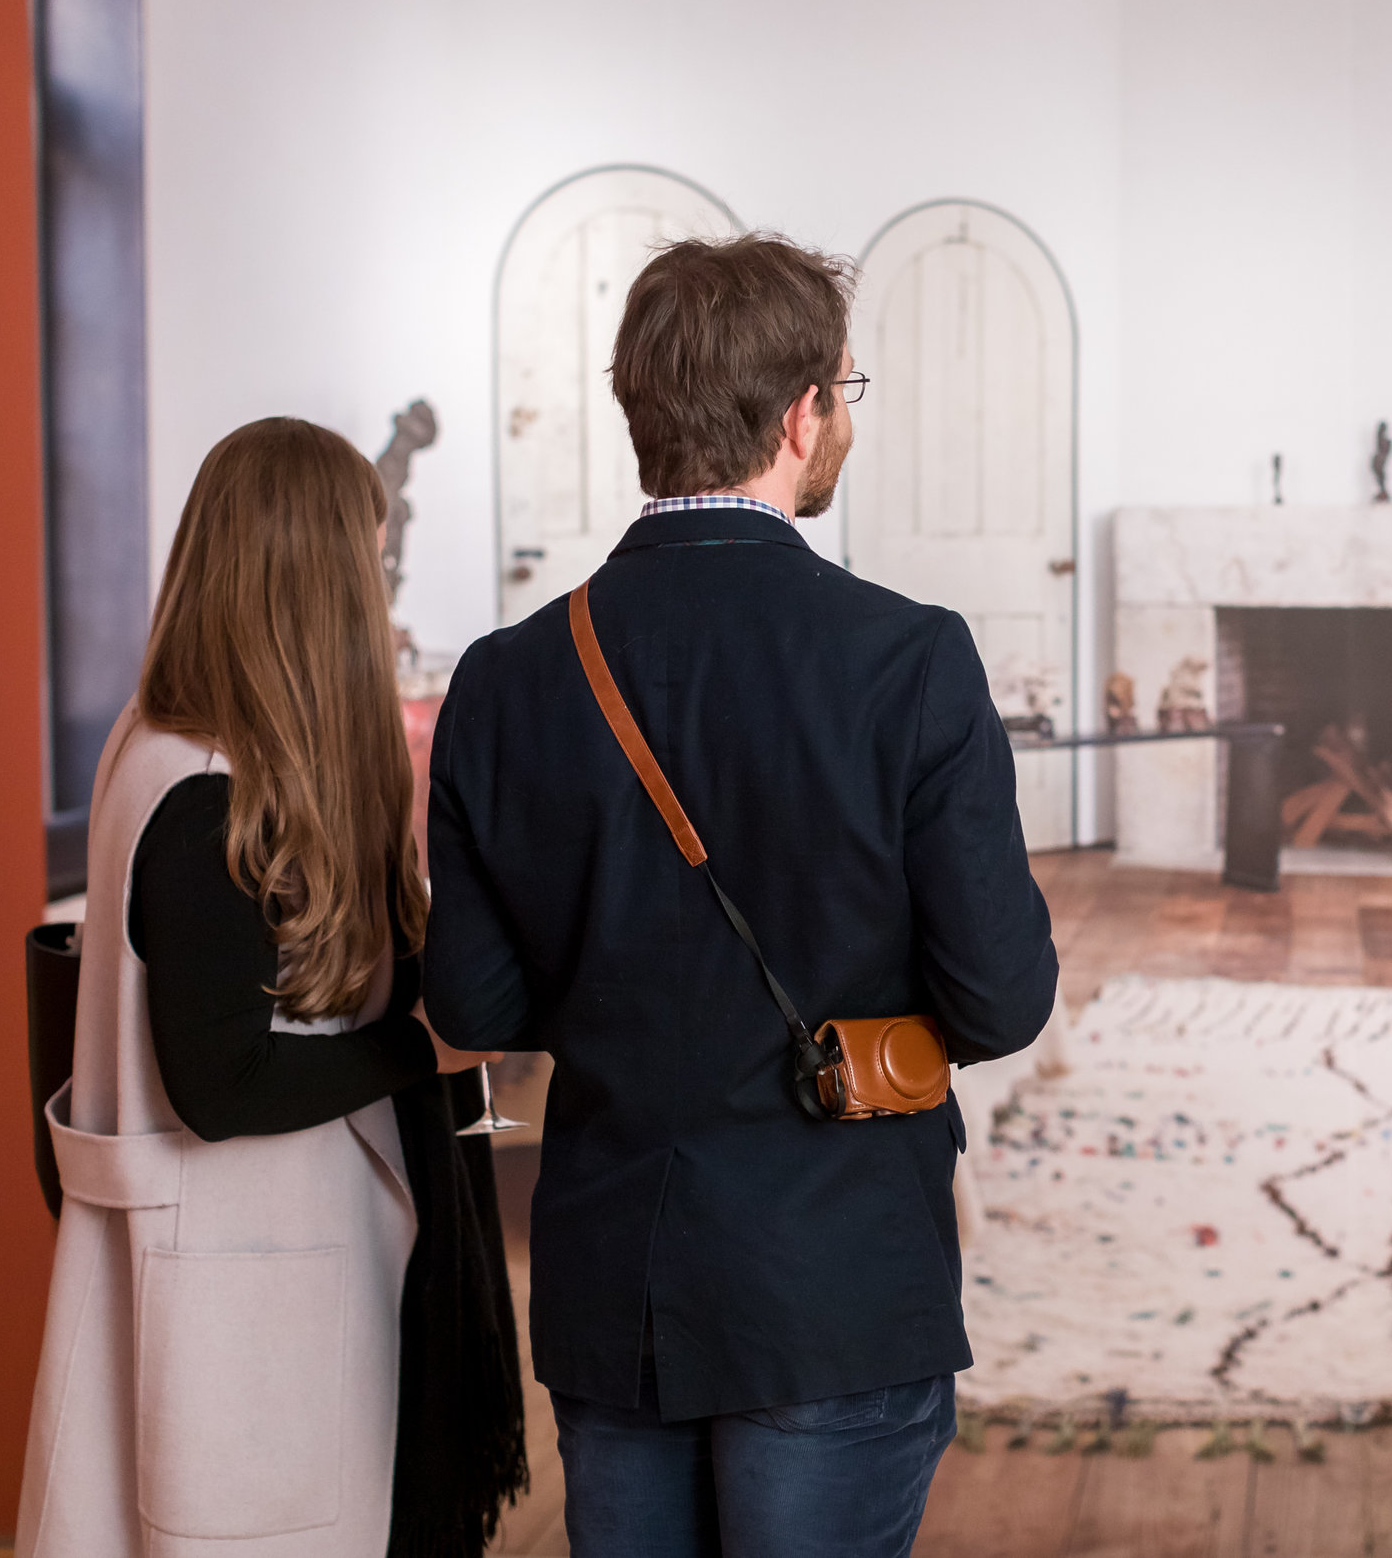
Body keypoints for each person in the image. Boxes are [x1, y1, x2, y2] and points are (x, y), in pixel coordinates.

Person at [425, 234, 1058, 1557]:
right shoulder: (910, 660)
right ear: (801, 413)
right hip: (834, 1283)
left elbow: (473, 1004)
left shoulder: (504, 677)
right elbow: (1000, 1000)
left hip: (615, 1286)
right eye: (845, 390)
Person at [15, 418, 528, 1558]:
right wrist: (427, 1045)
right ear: (315, 581)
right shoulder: (206, 794)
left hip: (250, 1273)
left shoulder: (171, 743)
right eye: (372, 561)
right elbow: (223, 1082)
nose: (382, 594)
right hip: (237, 1286)